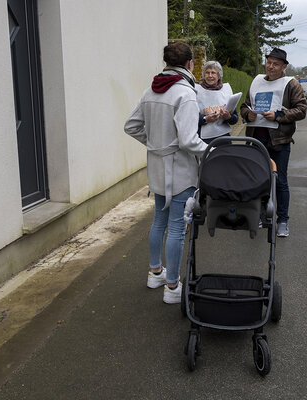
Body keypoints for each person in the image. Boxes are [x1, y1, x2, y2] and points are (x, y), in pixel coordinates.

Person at [124, 42, 207, 304]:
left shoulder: (152, 89)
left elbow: (132, 126)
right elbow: (189, 141)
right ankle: (172, 287)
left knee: (159, 222)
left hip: (157, 169)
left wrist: (156, 145)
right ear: (191, 64)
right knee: (175, 228)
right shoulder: (186, 94)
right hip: (180, 171)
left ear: (167, 62)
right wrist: (213, 151)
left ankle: (155, 272)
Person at [240, 48, 307, 237]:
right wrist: (248, 113)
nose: (271, 66)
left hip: (279, 140)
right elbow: (245, 105)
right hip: (256, 138)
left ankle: (283, 220)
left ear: (284, 66)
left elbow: (301, 109)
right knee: (258, 179)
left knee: (280, 181)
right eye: (269, 62)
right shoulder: (256, 81)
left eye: (276, 64)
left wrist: (278, 116)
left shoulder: (291, 84)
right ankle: (262, 215)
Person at [196, 61, 239, 144]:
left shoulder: (226, 90)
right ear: (203, 75)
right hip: (204, 141)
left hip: (224, 138)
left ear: (219, 75)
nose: (210, 76)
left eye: (213, 73)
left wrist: (228, 117)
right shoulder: (197, 91)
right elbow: (190, 118)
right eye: (207, 73)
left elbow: (235, 119)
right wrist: (205, 119)